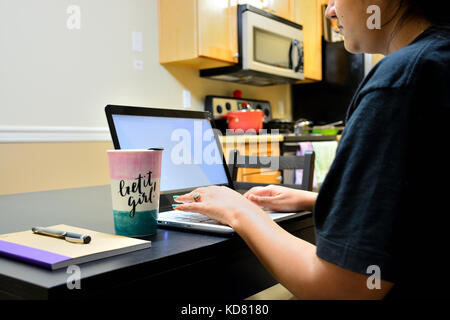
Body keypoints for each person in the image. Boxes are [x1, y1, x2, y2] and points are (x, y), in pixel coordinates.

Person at [175, 0, 450, 299]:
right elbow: (424, 208)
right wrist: (317, 200)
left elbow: (341, 290)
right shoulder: (438, 59)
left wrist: (237, 209)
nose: (330, 11)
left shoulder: (403, 78)